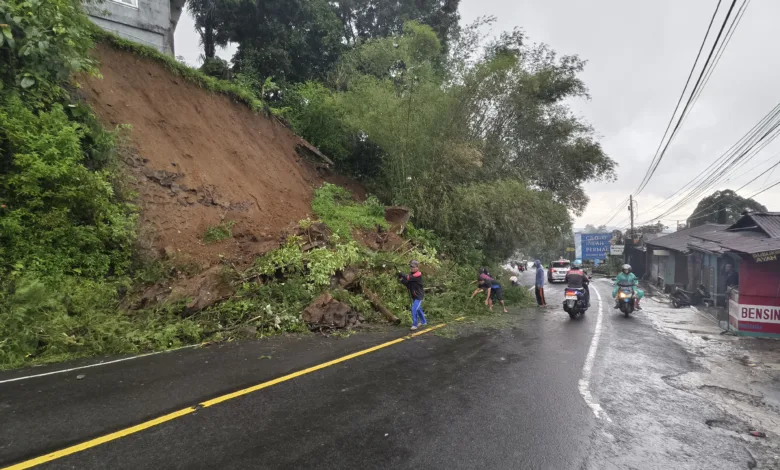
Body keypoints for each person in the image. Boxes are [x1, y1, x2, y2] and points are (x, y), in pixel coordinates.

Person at [399, 260, 426, 330]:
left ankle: (415, 324)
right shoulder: (411, 274)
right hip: (414, 295)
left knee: (414, 309)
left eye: (413, 267)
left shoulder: (418, 274)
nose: (411, 268)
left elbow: (408, 278)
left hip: (418, 295)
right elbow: (408, 283)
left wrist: (401, 274)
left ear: (417, 267)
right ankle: (423, 322)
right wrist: (401, 280)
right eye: (411, 266)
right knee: (418, 309)